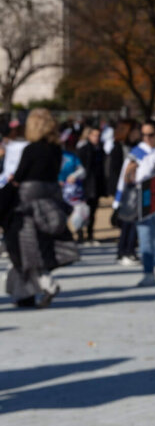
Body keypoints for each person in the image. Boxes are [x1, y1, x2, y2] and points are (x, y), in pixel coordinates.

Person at [4, 109, 68, 307]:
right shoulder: (56, 149)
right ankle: (26, 293)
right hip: (50, 202)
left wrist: (12, 183)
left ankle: (43, 285)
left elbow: (21, 175)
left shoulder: (32, 149)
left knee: (24, 249)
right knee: (37, 248)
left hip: (28, 202)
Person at [117, 119, 155, 287]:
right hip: (143, 198)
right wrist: (118, 201)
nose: (147, 138)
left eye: (151, 135)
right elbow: (125, 178)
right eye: (143, 135)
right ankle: (148, 271)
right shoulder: (136, 152)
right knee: (144, 237)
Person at [107, 118, 140, 266]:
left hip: (135, 189)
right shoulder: (118, 148)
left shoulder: (136, 147)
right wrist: (117, 194)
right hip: (124, 190)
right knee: (127, 221)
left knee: (134, 221)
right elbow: (113, 171)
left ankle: (130, 249)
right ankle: (124, 251)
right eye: (135, 130)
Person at [75, 125, 107, 243]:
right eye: (94, 135)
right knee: (81, 210)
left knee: (93, 211)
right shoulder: (83, 150)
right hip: (84, 184)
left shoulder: (101, 150)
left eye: (98, 135)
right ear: (89, 136)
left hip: (96, 184)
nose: (96, 138)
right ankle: (79, 233)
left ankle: (90, 233)